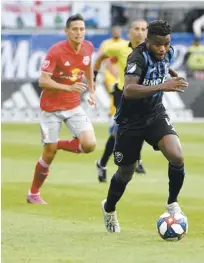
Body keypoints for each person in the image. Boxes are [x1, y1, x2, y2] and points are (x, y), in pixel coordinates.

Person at [100, 20, 189, 233]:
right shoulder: (136, 57)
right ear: (148, 40)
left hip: (155, 113)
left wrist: (173, 75)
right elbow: (129, 89)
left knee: (176, 156)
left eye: (166, 44)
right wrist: (163, 85)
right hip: (131, 121)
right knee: (126, 173)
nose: (163, 48)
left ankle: (172, 204)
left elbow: (165, 63)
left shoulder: (167, 51)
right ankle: (109, 208)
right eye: (158, 44)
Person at [26, 14, 96, 204]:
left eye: (82, 29)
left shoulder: (88, 47)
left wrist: (91, 90)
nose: (79, 32)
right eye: (75, 29)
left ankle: (55, 143)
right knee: (48, 154)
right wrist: (68, 87)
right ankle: (33, 193)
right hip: (51, 108)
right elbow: (43, 80)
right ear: (67, 31)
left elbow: (88, 65)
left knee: (89, 144)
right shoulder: (56, 52)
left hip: (73, 105)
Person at [94, 19, 148, 183]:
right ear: (130, 31)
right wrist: (94, 77)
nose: (139, 32)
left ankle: (104, 163)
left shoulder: (152, 50)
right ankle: (105, 163)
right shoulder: (119, 48)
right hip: (122, 94)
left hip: (141, 95)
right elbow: (101, 57)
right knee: (120, 131)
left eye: (143, 29)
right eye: (136, 28)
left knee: (138, 129)